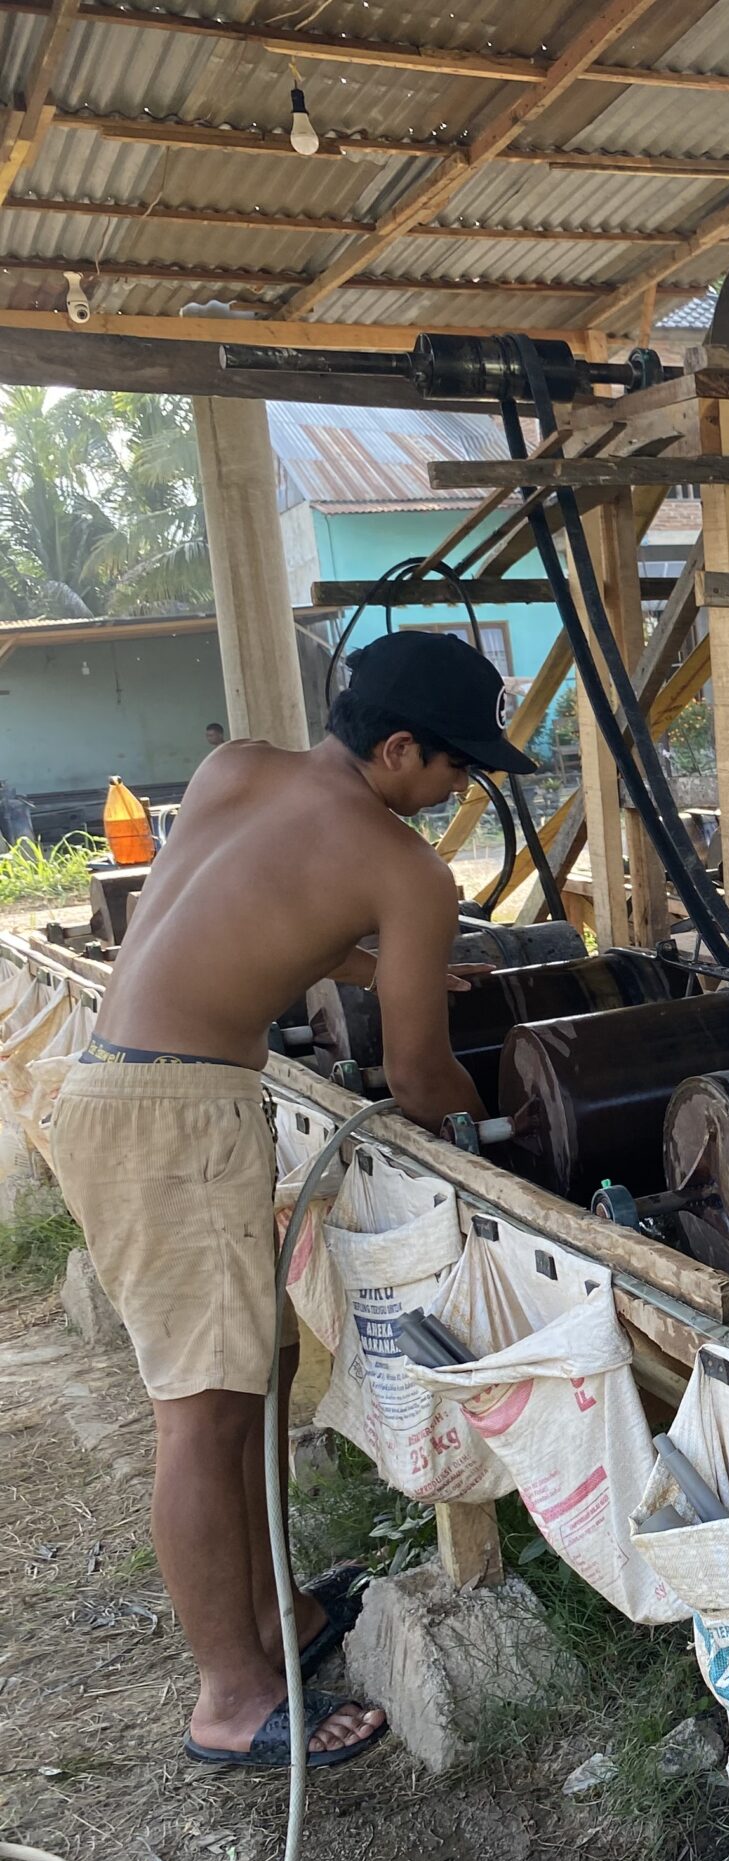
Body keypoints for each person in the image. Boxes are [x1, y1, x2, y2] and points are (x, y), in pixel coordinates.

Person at [49, 630, 535, 1773]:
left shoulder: (240, 769)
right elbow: (420, 1079)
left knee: (254, 1376)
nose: (459, 791)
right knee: (203, 1415)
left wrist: (375, 964)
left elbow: (238, 903)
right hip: (178, 1122)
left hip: (113, 1085)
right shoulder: (405, 871)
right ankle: (230, 1696)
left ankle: (281, 1619)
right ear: (402, 747)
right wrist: (500, 1148)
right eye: (455, 768)